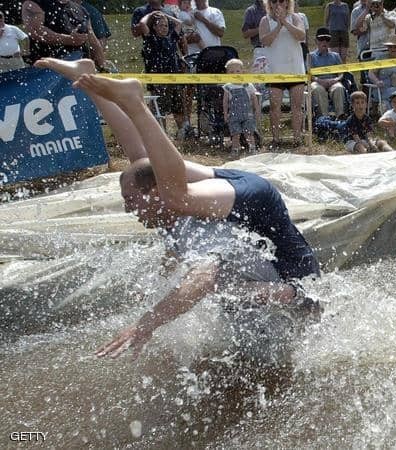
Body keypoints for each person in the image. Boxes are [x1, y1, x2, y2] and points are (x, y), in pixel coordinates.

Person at [32, 57, 321, 358]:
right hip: (242, 199)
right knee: (144, 166)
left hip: (278, 251)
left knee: (174, 197)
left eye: (130, 202)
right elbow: (180, 258)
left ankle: (133, 101)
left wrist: (145, 323)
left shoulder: (194, 224)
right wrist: (160, 286)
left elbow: (203, 278)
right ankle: (89, 81)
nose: (129, 210)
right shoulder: (168, 215)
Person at [259, 0, 306, 145]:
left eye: (282, 0)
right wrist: (279, 25)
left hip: (295, 69)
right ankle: (276, 139)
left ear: (287, 3)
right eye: (274, 1)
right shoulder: (265, 20)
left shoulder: (296, 17)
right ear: (270, 4)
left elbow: (301, 35)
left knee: (297, 106)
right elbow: (265, 41)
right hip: (275, 70)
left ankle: (297, 138)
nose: (278, 3)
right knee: (274, 107)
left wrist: (285, 22)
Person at [140, 11, 189, 136]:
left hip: (174, 79)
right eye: (161, 25)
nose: (164, 28)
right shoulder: (150, 39)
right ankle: (162, 134)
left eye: (166, 26)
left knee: (178, 109)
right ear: (154, 27)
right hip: (159, 82)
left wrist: (165, 15)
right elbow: (142, 24)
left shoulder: (171, 38)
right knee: (160, 111)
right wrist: (151, 15)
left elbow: (179, 23)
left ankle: (182, 133)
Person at [22, 0, 104, 67]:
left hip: (79, 72)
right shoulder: (34, 4)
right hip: (46, 73)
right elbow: (36, 32)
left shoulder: (81, 10)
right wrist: (68, 40)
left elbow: (93, 42)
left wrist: (102, 67)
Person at [222, 58, 260, 154]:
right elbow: (225, 102)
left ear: (242, 72)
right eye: (231, 72)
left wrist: (257, 110)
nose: (235, 73)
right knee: (235, 134)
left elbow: (254, 98)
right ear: (227, 74)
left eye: (238, 71)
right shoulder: (228, 87)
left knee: (249, 133)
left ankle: (252, 148)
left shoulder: (248, 85)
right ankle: (236, 148)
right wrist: (225, 114)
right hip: (233, 115)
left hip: (247, 114)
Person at [308, 27, 347, 119]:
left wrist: (335, 80)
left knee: (339, 88)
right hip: (317, 81)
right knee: (318, 89)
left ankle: (340, 116)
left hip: (333, 81)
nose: (324, 42)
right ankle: (324, 118)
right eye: (321, 39)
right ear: (316, 41)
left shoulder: (335, 56)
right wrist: (319, 80)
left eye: (327, 39)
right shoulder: (311, 57)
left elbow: (341, 73)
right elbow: (309, 74)